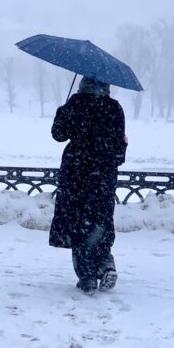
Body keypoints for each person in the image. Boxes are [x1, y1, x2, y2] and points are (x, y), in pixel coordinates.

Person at [48, 76, 127, 294]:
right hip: (103, 176)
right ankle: (105, 265)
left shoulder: (76, 103)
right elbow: (118, 153)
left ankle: (87, 277)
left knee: (78, 222)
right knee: (100, 221)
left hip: (77, 173)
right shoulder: (114, 108)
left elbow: (58, 134)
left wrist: (62, 112)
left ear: (84, 83)